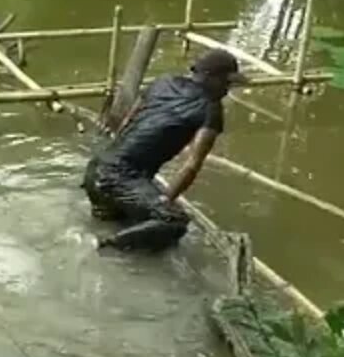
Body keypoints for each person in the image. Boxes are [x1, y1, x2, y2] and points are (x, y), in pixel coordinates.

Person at [81, 49, 247, 252]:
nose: (227, 89)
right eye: (226, 82)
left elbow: (127, 122)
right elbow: (192, 165)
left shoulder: (162, 82)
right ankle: (104, 246)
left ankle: (106, 236)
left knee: (120, 221)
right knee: (173, 221)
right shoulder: (210, 109)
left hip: (95, 169)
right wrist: (166, 201)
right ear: (210, 78)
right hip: (121, 179)